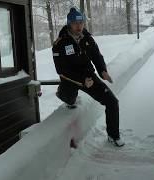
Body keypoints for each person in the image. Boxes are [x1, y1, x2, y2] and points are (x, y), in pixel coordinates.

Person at [52, 7, 124, 147]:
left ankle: (113, 135)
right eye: (75, 23)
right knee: (70, 100)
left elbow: (97, 56)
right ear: (69, 24)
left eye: (81, 23)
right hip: (70, 79)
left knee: (112, 102)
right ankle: (61, 93)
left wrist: (102, 71)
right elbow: (61, 71)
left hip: (89, 77)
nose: (79, 26)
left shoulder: (87, 39)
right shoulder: (60, 43)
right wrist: (82, 81)